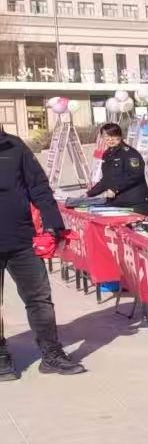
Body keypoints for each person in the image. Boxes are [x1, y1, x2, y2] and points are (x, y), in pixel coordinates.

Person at [0, 125, 84, 379]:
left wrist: (52, 225)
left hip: (21, 240)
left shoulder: (15, 147)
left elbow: (38, 187)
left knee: (39, 299)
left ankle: (51, 354)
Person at [86, 122, 148, 212]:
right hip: (116, 202)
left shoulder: (130, 153)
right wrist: (89, 194)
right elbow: (106, 180)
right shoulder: (107, 154)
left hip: (134, 202)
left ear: (120, 136)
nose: (110, 139)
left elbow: (135, 175)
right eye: (107, 136)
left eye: (113, 136)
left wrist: (114, 189)